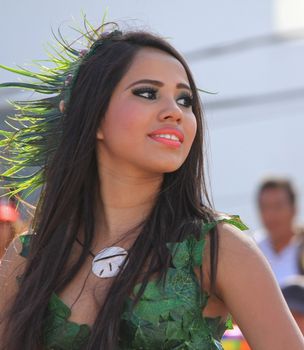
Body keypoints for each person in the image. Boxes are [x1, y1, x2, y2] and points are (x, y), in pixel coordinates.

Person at [0, 19, 303, 350]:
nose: (174, 111)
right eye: (147, 93)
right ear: (94, 116)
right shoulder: (29, 257)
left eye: (185, 100)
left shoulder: (217, 247)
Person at [255, 177, 304, 286]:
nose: (270, 215)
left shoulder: (301, 248)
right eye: (265, 207)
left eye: (278, 206)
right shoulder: (251, 248)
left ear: (294, 209)